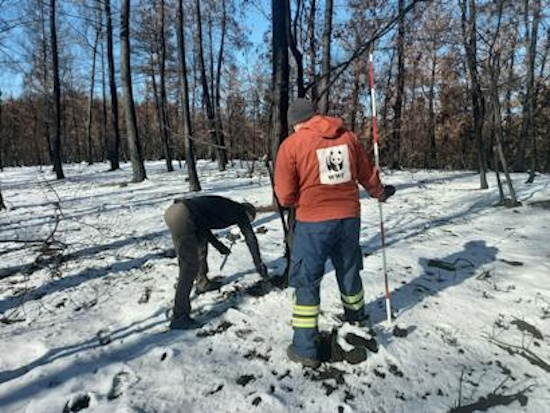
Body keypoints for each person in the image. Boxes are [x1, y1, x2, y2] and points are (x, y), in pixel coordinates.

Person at [274, 98, 395, 367]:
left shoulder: (291, 145)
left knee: (307, 280)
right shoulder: (348, 138)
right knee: (349, 270)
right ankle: (357, 322)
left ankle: (305, 348)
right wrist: (380, 193)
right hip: (349, 219)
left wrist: (295, 199)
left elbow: (284, 195)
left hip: (313, 223)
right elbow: (366, 173)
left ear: (296, 123)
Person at [164, 195, 269, 330]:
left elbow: (204, 227)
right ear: (248, 213)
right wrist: (258, 263)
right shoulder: (239, 211)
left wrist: (219, 246)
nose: (246, 223)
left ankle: (202, 283)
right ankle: (179, 317)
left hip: (181, 211)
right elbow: (250, 238)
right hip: (182, 216)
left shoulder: (227, 207)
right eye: (249, 220)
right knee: (188, 267)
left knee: (201, 247)